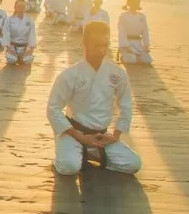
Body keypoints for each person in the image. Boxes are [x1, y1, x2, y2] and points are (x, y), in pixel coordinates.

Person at [46, 20, 141, 176]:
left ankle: (90, 154)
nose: (101, 50)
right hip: (74, 133)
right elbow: (53, 109)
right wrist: (81, 137)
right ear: (83, 43)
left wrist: (115, 136)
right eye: (96, 45)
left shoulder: (117, 73)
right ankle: (64, 157)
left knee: (133, 164)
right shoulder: (70, 75)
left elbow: (126, 106)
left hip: (101, 136)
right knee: (69, 167)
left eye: (105, 45)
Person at [118, 0, 152, 64]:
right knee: (131, 59)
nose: (135, 4)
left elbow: (145, 31)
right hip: (127, 44)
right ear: (129, 3)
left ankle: (137, 55)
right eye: (133, 1)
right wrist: (125, 46)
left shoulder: (142, 16)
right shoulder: (123, 16)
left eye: (137, 2)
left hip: (138, 45)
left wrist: (146, 46)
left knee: (147, 60)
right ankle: (123, 56)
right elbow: (121, 32)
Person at [2, 0, 37, 65]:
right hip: (12, 46)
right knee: (11, 60)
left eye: (23, 6)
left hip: (25, 47)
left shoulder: (30, 20)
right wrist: (9, 49)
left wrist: (30, 50)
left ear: (25, 8)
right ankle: (14, 57)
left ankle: (21, 58)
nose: (21, 8)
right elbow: (6, 35)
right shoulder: (9, 20)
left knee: (27, 61)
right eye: (19, 6)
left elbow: (32, 35)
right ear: (15, 7)